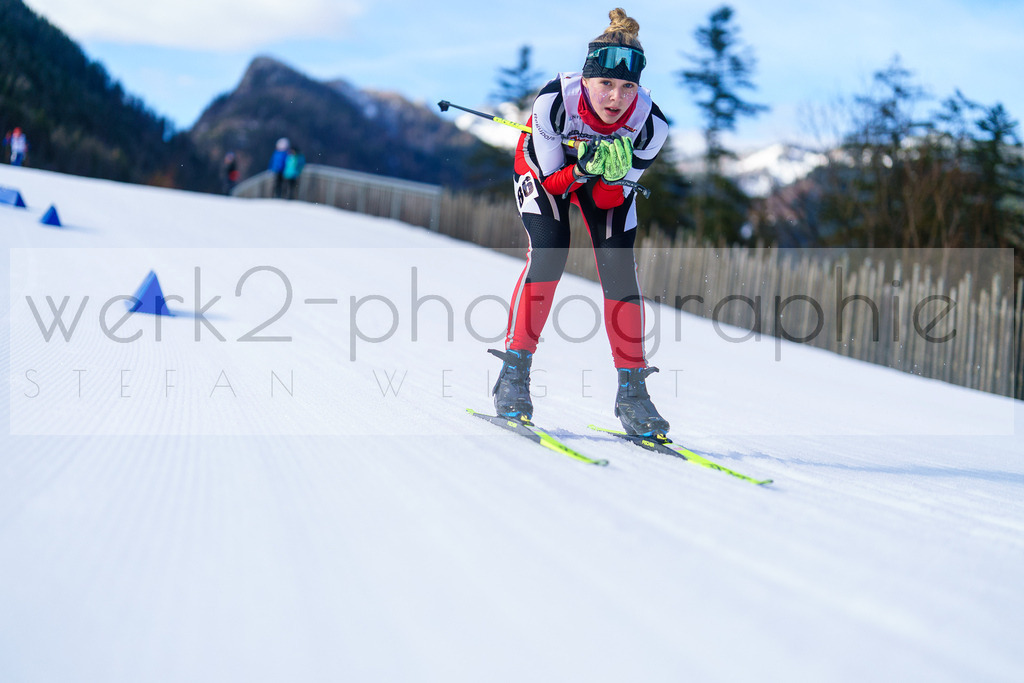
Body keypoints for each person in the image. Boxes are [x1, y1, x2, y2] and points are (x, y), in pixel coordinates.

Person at [489, 8, 671, 437]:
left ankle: (633, 393)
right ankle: (513, 376)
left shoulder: (650, 127)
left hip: (596, 177)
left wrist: (609, 174)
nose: (615, 98)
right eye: (606, 83)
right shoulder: (554, 101)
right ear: (586, 79)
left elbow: (611, 199)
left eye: (628, 87)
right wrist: (583, 168)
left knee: (619, 269)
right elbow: (554, 185)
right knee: (550, 252)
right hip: (546, 169)